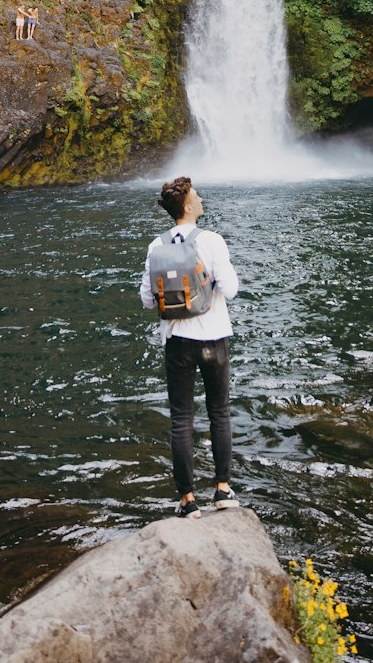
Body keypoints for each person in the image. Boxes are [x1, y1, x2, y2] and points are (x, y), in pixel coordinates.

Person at [139, 175, 240, 519]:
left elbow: (147, 300)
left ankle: (187, 501)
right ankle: (223, 490)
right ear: (187, 206)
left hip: (177, 342)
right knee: (219, 413)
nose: (200, 199)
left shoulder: (156, 245)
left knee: (182, 420)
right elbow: (230, 287)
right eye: (196, 196)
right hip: (213, 337)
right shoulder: (211, 240)